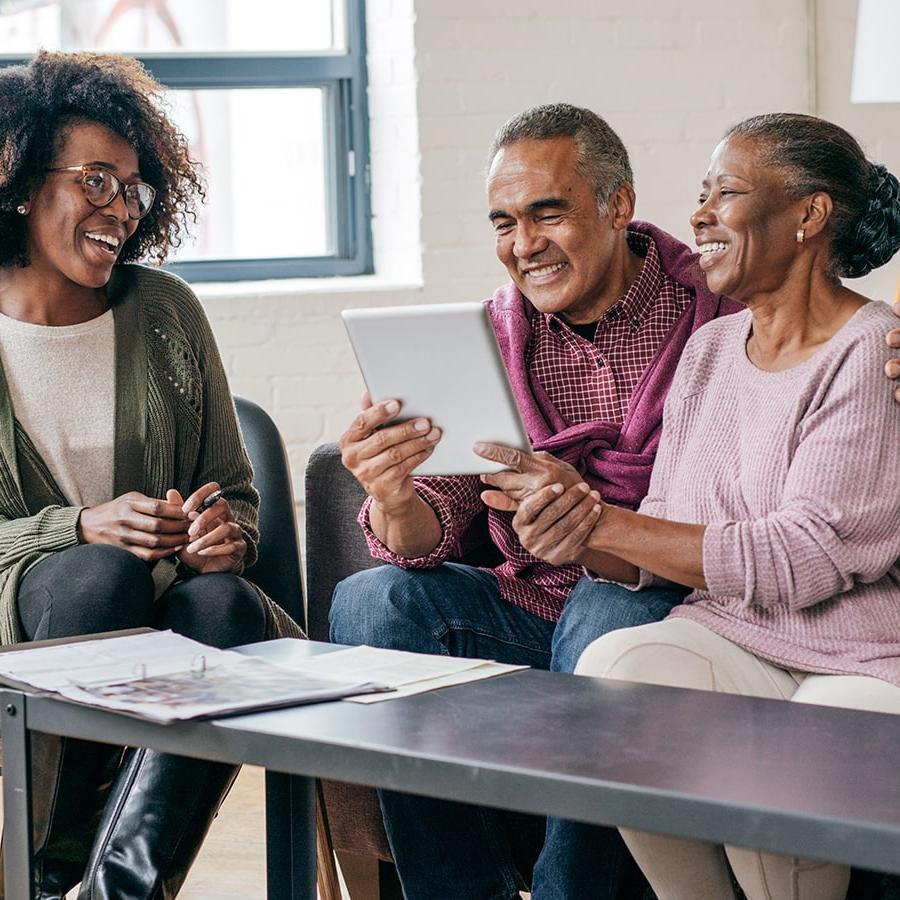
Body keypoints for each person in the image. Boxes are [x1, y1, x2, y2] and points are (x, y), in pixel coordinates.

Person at [477, 113, 900, 900]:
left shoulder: (872, 350)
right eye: (700, 193)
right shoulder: (709, 350)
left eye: (726, 193)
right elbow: (661, 521)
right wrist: (572, 528)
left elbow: (803, 555)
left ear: (808, 216)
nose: (698, 215)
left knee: (783, 754)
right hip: (735, 633)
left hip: (863, 659)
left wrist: (605, 520)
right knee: (614, 670)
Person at [330, 102, 744, 900]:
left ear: (617, 205)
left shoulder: (719, 316)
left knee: (603, 619)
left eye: (547, 214)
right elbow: (429, 531)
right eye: (504, 222)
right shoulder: (487, 332)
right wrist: (390, 492)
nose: (524, 246)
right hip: (528, 608)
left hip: (675, 612)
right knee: (373, 601)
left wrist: (590, 526)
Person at [0, 51, 301, 899]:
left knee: (225, 606)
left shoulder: (164, 313)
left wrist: (223, 536)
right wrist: (78, 526)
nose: (121, 210)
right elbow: (72, 551)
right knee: (96, 576)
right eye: (97, 181)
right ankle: (51, 868)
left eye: (134, 189)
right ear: (21, 182)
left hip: (178, 621)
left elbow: (233, 491)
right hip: (33, 614)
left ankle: (113, 889)